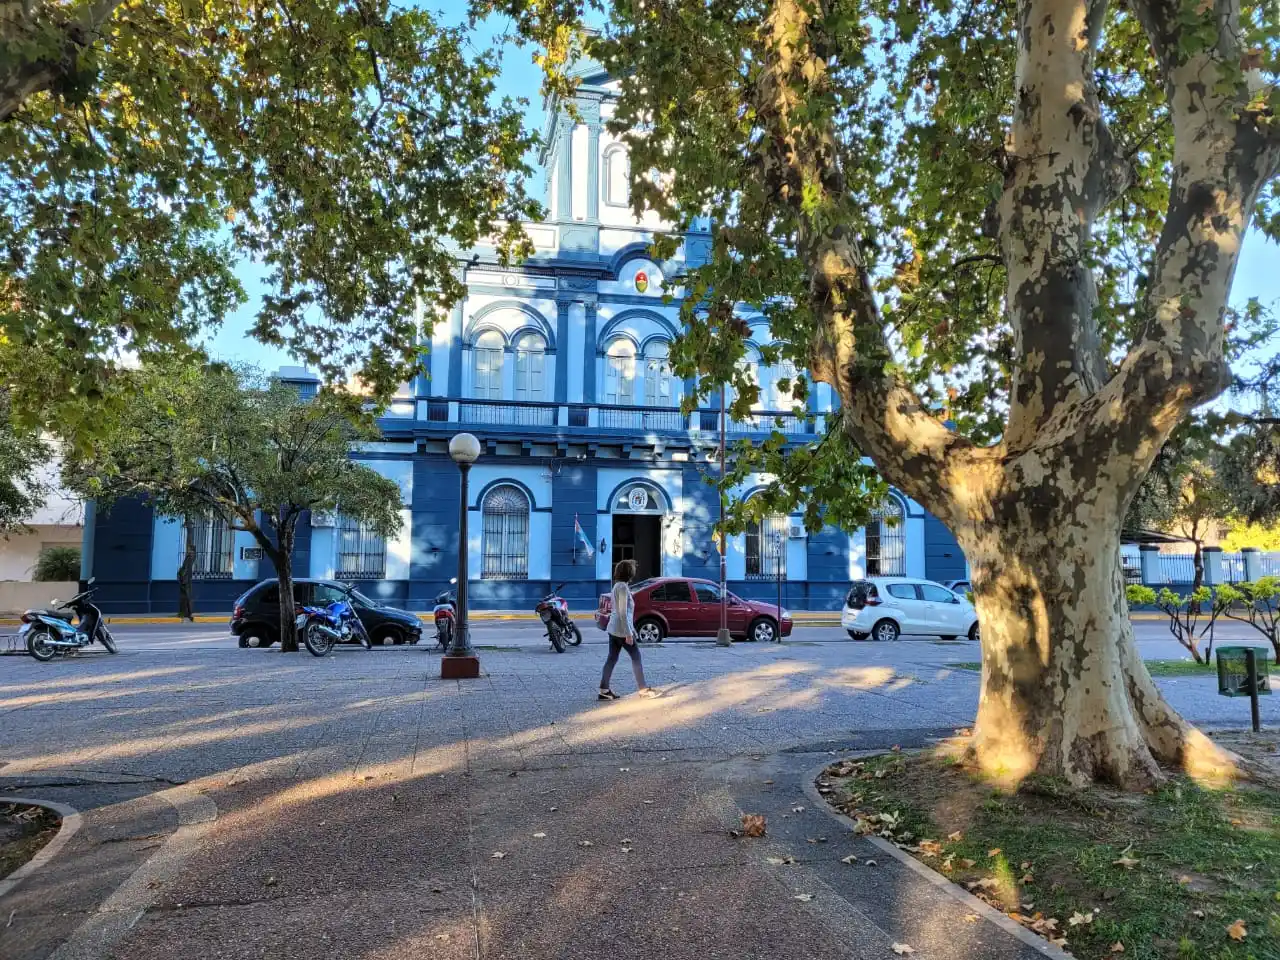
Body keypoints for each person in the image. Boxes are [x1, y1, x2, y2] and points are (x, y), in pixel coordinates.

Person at [599, 559, 660, 700]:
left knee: (612, 658)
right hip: (621, 630)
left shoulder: (618, 586)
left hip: (614, 629)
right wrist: (629, 633)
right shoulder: (622, 588)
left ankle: (604, 689)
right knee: (636, 657)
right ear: (629, 572)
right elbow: (622, 612)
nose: (634, 571)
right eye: (632, 569)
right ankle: (643, 689)